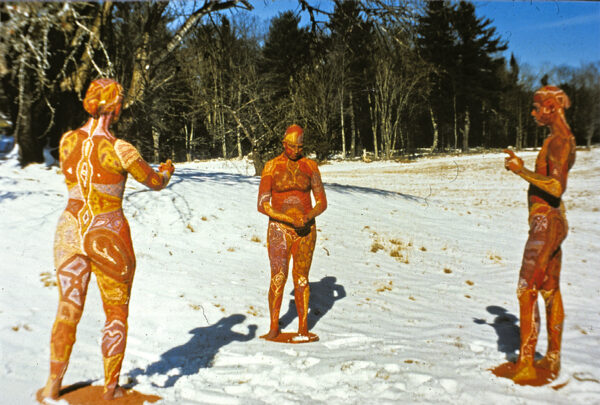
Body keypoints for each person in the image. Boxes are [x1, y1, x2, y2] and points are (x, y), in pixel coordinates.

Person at [41, 78, 175, 401]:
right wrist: (168, 170)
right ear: (115, 107)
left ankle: (52, 386)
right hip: (107, 232)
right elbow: (155, 181)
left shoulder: (67, 142)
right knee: (116, 313)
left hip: (71, 230)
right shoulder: (120, 149)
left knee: (67, 309)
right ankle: (109, 391)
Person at [498, 85, 576, 384]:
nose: (532, 112)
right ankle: (552, 358)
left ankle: (527, 365)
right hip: (553, 222)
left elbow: (556, 187)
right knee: (548, 289)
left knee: (526, 289)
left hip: (546, 224)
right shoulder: (563, 139)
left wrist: (520, 171)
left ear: (551, 108)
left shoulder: (558, 142)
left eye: (536, 107)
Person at [257, 124, 327, 342]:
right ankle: (273, 327)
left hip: (306, 230)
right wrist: (288, 219)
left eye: (300, 147)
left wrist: (307, 217)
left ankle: (303, 328)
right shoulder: (271, 167)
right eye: (292, 146)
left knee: (302, 279)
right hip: (279, 229)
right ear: (283, 144)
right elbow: (263, 204)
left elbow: (322, 202)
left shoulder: (310, 166)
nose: (296, 150)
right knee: (278, 277)